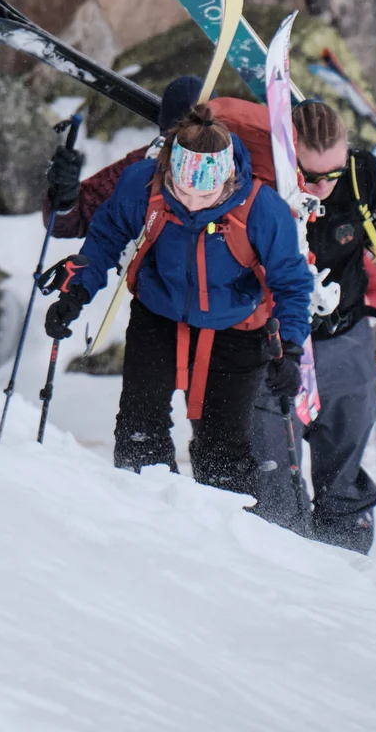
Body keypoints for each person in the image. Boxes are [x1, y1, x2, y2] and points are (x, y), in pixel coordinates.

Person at [41, 105, 315, 490]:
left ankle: (221, 534)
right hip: (159, 312)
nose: (192, 204)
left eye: (206, 194)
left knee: (223, 450)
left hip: (237, 326)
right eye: (182, 190)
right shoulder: (143, 184)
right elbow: (105, 237)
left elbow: (291, 281)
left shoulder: (262, 208)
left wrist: (290, 347)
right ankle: (144, 513)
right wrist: (77, 292)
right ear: (170, 171)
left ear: (229, 179)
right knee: (139, 427)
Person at [244, 103, 376, 550]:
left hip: (346, 335)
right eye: (311, 175)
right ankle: (279, 560)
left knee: (342, 466)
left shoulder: (362, 175)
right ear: (289, 154)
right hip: (275, 340)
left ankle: (347, 565)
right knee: (274, 472)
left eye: (333, 174)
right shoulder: (259, 175)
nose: (323, 187)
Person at [44, 75, 202, 237]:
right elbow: (75, 221)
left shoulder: (229, 171)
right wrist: (64, 196)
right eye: (179, 138)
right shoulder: (143, 167)